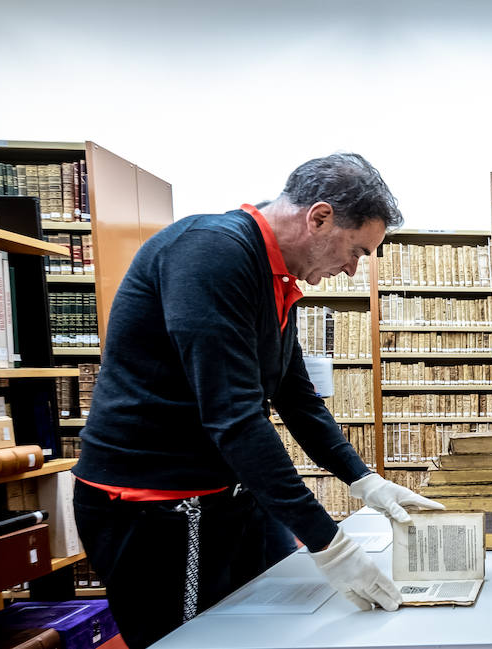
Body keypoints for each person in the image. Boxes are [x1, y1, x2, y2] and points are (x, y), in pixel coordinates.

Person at [72, 153, 442, 649]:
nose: (353, 270)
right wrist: (329, 542)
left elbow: (296, 398)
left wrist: (365, 480)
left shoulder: (276, 279)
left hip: (229, 494)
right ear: (320, 217)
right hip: (157, 507)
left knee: (279, 631)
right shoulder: (212, 254)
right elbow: (234, 416)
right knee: (192, 643)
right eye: (356, 250)